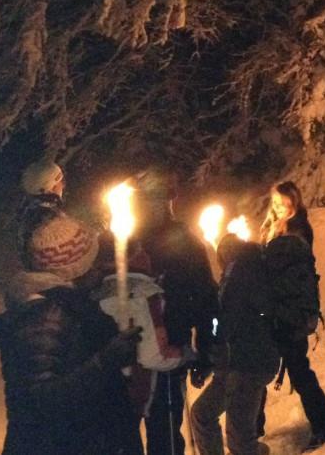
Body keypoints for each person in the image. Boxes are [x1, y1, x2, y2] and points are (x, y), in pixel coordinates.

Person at [0, 213, 145, 455]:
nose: (99, 269)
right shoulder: (44, 317)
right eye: (93, 260)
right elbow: (44, 401)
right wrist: (107, 359)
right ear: (77, 268)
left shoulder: (68, 308)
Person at [133, 169, 219, 455]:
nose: (156, 206)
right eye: (150, 199)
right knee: (127, 431)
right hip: (129, 353)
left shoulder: (186, 242)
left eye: (162, 199)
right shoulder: (127, 241)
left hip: (171, 350)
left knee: (165, 430)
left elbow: (208, 302)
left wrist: (206, 351)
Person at [259, 182, 325, 450]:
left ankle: (324, 427)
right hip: (272, 311)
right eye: (276, 202)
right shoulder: (269, 228)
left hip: (290, 312)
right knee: (259, 369)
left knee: (298, 370)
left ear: (294, 202)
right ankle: (252, 429)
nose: (279, 207)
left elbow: (288, 271)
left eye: (284, 203)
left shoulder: (298, 230)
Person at [190, 233, 279, 455]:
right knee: (202, 414)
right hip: (234, 365)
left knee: (240, 441)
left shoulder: (243, 272)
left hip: (248, 364)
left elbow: (226, 322)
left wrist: (212, 330)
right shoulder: (245, 270)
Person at [14, 159, 67, 266]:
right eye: (60, 181)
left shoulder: (31, 213)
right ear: (51, 187)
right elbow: (64, 256)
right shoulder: (47, 217)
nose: (63, 186)